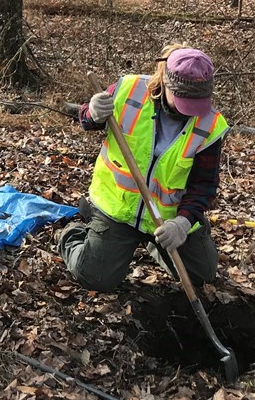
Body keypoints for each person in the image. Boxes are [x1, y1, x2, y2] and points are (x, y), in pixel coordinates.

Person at [58, 45, 229, 292]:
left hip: (167, 221)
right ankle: (72, 233)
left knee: (201, 276)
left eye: (197, 102)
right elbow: (87, 118)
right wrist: (92, 113)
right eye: (183, 100)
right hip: (119, 211)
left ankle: (155, 243)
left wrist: (182, 223)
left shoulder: (210, 127)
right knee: (96, 278)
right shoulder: (129, 90)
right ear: (165, 83)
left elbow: (204, 186)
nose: (190, 110)